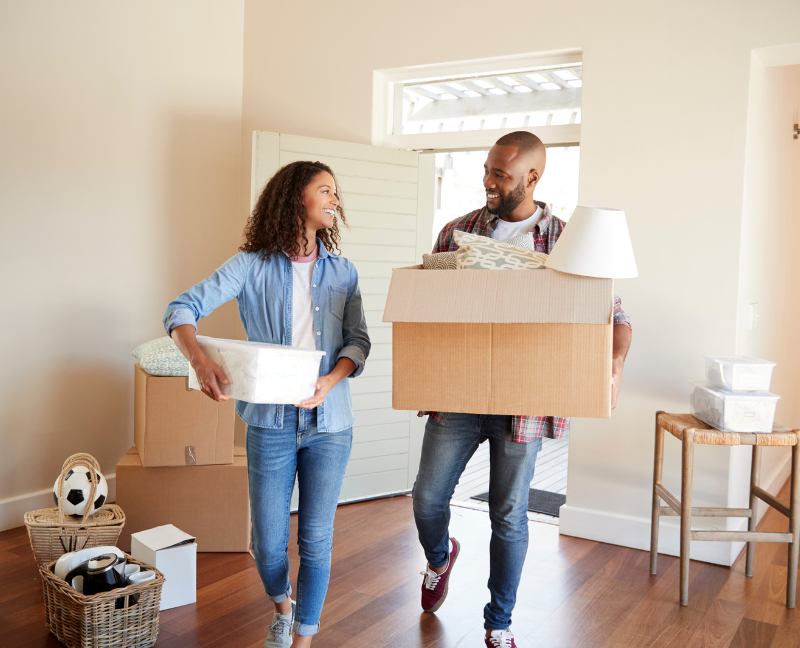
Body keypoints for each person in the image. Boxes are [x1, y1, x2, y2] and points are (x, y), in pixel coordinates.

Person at [412, 131, 632, 648]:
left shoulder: (568, 241)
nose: (488, 182)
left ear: (532, 178)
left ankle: (499, 623)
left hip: (525, 402)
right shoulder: (457, 232)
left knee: (508, 514)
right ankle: (439, 558)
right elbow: (428, 308)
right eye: (488, 170)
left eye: (500, 174)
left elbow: (615, 317)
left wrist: (614, 363)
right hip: (460, 394)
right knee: (426, 497)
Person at [163, 161, 370, 648]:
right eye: (326, 191)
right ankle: (283, 606)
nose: (335, 200)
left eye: (335, 193)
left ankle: (303, 638)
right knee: (268, 545)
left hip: (331, 424)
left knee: (316, 539)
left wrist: (331, 379)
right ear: (295, 197)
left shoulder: (344, 272)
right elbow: (180, 309)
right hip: (271, 425)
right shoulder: (250, 265)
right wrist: (199, 361)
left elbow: (358, 341)